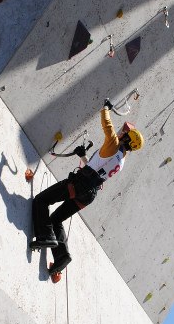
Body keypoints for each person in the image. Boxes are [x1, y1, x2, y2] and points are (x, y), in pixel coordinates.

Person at [31, 102, 144, 274]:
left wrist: (105, 108)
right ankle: (62, 256)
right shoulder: (121, 160)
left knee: (41, 200)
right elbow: (96, 169)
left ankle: (45, 237)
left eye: (125, 134)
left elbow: (107, 126)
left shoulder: (113, 144)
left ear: (128, 139)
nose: (122, 133)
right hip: (88, 194)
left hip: (79, 185)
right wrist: (83, 156)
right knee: (56, 220)